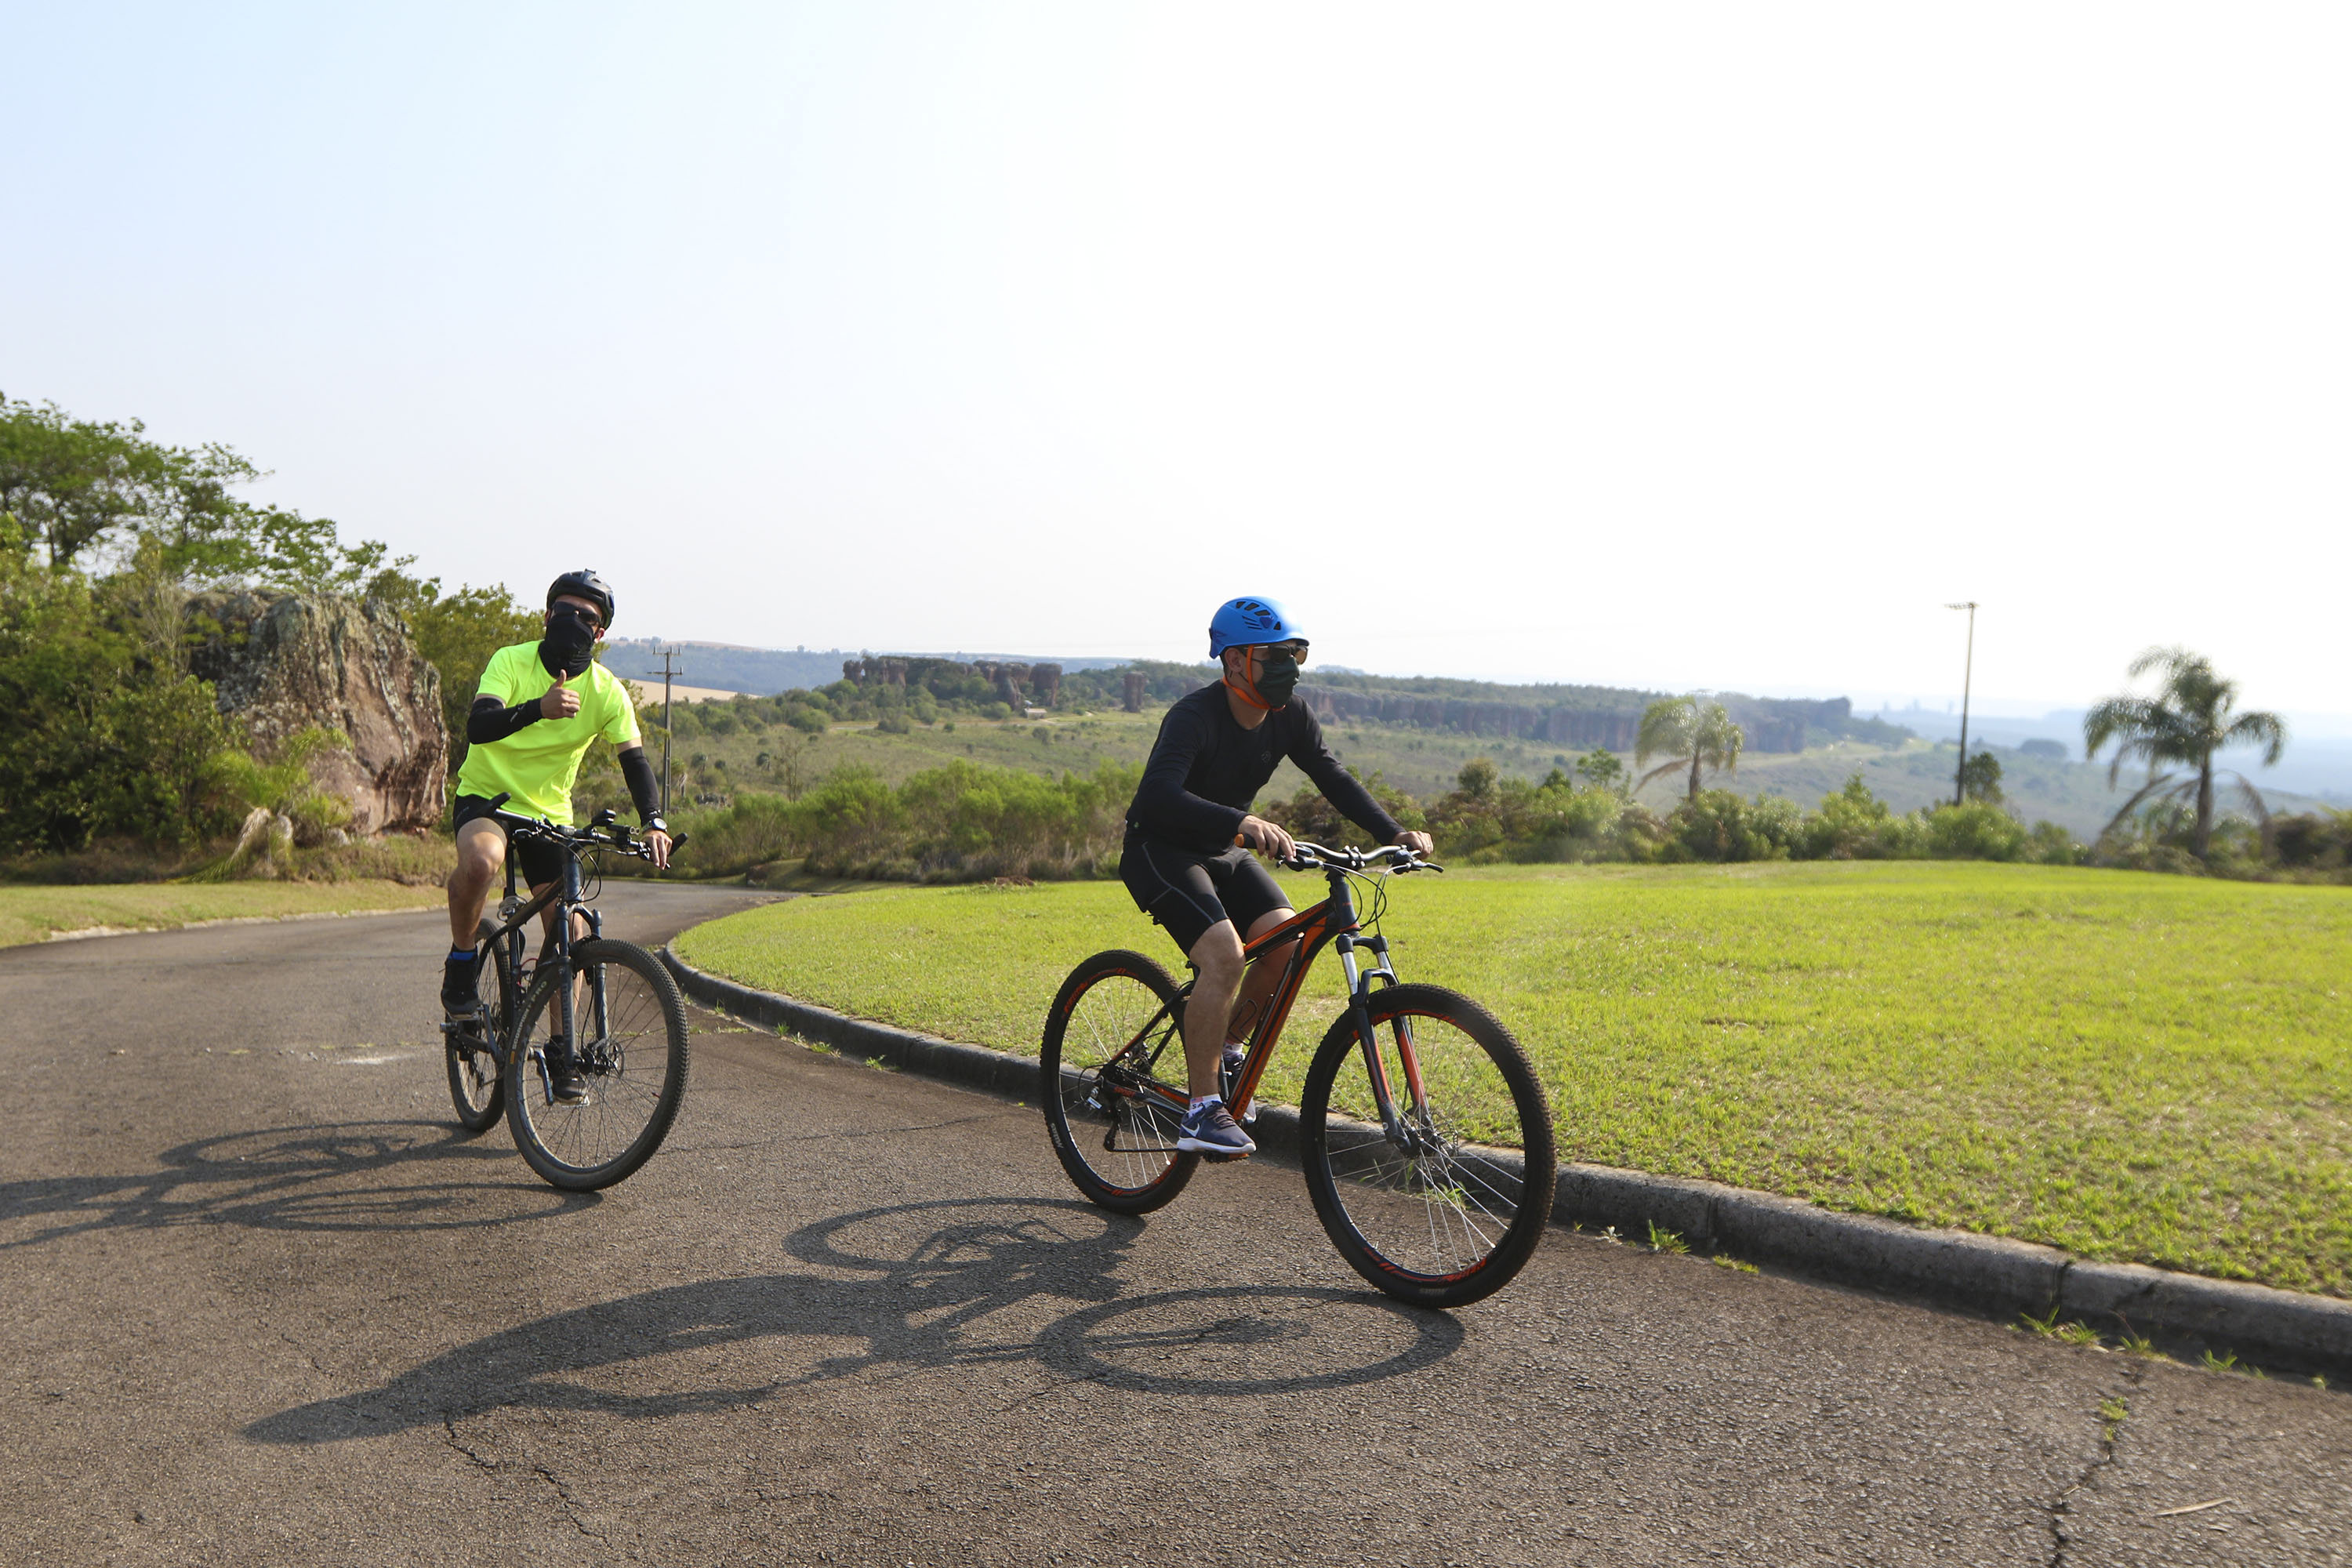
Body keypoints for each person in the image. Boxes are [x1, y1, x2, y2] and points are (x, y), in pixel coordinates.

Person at [1120, 596, 1434, 1157]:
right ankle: (1199, 1112)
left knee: (1286, 944)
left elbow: (1331, 776)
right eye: (1277, 654)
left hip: (1224, 849)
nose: (1291, 665)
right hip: (1160, 848)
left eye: (1298, 652)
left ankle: (1228, 1048)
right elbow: (1158, 795)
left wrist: (1395, 832)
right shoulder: (1195, 716)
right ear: (1236, 661)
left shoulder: (1291, 717)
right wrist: (1240, 819)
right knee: (1224, 956)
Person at [440, 569, 673, 1102]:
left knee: (570, 928)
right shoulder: (511, 661)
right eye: (563, 612)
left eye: (587, 618)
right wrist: (537, 709)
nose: (573, 623)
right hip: (489, 797)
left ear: (600, 634)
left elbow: (634, 760)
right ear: (546, 617)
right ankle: (460, 967)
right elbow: (479, 727)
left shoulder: (607, 692)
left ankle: (560, 1050)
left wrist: (653, 822)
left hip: (549, 814)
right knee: (480, 864)